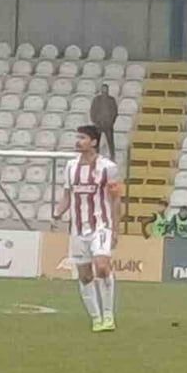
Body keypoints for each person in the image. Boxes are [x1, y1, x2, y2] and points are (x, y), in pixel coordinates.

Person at [54, 125, 124, 333]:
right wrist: (57, 214)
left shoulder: (108, 167)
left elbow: (116, 199)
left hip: (101, 225)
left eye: (82, 138)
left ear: (93, 142)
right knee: (85, 275)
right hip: (77, 229)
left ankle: (109, 316)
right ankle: (96, 318)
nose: (78, 141)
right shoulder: (70, 167)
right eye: (77, 137)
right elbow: (68, 196)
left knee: (102, 267)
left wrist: (116, 230)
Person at [89, 84, 119, 160]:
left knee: (110, 141)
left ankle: (112, 156)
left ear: (108, 90)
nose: (104, 90)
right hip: (98, 124)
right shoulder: (96, 99)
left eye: (105, 89)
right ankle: (96, 156)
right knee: (96, 141)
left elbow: (114, 112)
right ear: (101, 90)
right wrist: (95, 121)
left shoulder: (111, 100)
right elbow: (93, 111)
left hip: (108, 124)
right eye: (103, 89)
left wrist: (111, 122)